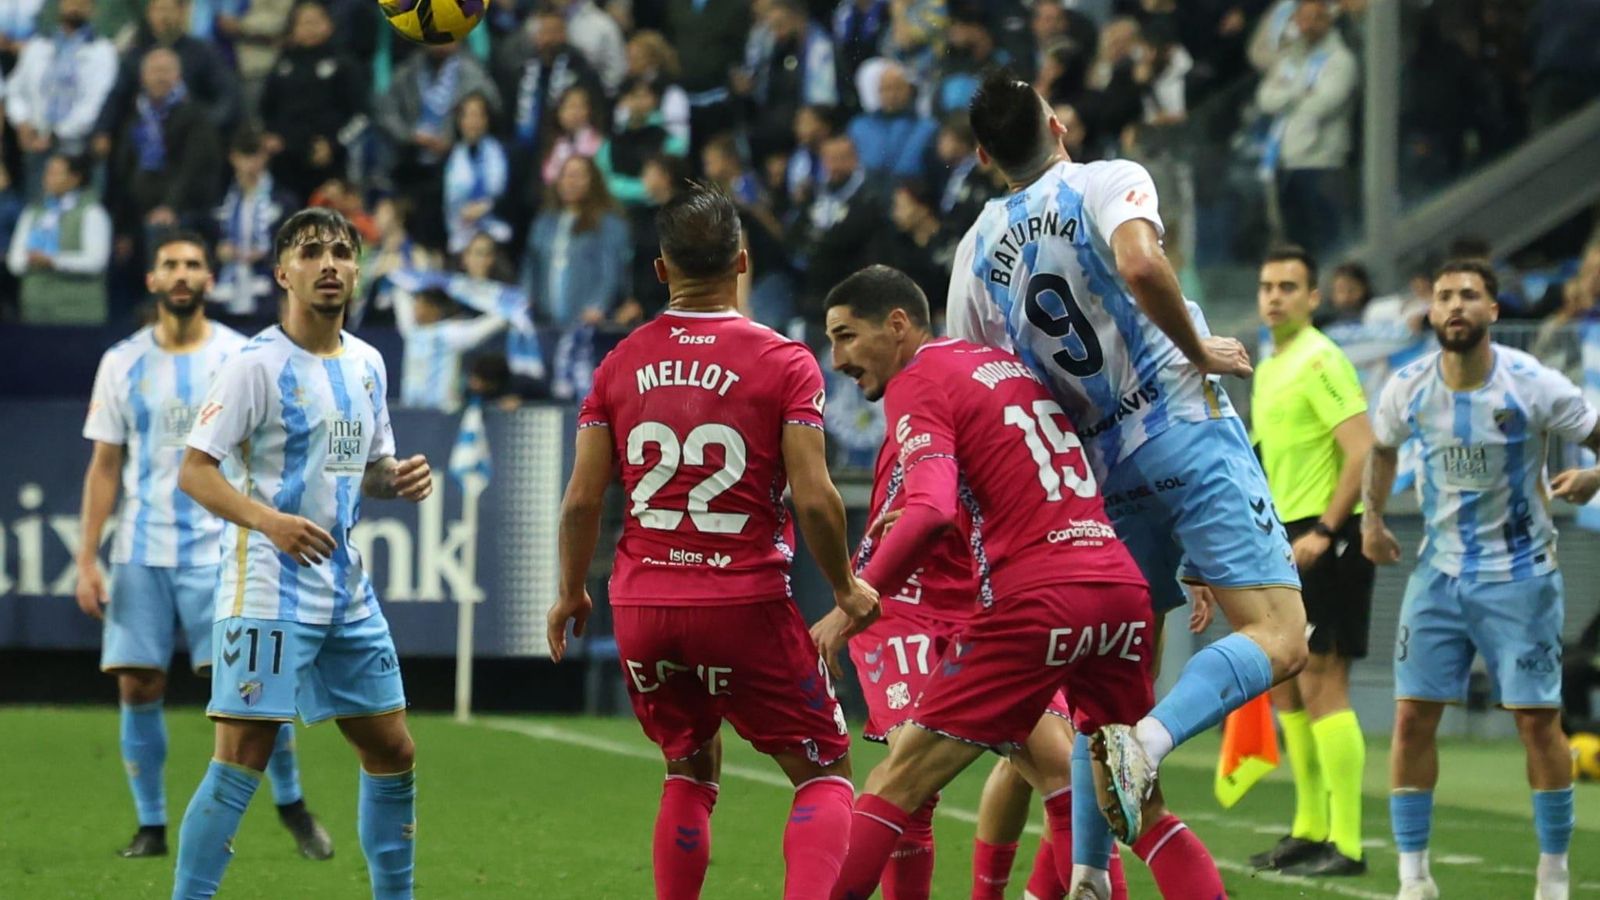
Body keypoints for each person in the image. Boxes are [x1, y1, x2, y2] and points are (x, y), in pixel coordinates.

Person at [947, 70, 1305, 886]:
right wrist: (1198, 347)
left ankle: (1087, 874)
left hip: (1094, 483)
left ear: (984, 157)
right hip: (1182, 431)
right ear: (1058, 125)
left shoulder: (974, 253)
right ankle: (1148, 743)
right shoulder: (1105, 181)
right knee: (1282, 637)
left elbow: (983, 386)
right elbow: (1140, 264)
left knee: (1106, 685)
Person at [819, 265, 1224, 900]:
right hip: (1117, 591)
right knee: (1134, 802)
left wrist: (852, 601)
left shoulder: (920, 378)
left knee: (899, 783)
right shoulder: (1014, 370)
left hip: (1033, 599)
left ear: (898, 324)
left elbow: (929, 510)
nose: (837, 358)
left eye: (846, 337)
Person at [545, 184, 879, 898]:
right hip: (741, 602)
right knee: (823, 772)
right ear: (742, 262)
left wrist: (571, 590)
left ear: (661, 270)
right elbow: (814, 495)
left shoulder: (618, 364)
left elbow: (581, 499)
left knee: (689, 767)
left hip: (644, 605)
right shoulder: (785, 361)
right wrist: (845, 587)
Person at [172, 208, 432, 899]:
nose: (329, 264)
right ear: (282, 273)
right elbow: (195, 472)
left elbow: (367, 468)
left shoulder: (367, 364)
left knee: (392, 747)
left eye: (341, 252)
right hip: (267, 589)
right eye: (311, 252)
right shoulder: (253, 367)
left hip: (345, 592)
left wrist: (397, 478)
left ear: (357, 271)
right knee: (242, 757)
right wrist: (270, 523)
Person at [75, 231, 332, 862]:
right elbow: (105, 465)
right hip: (141, 551)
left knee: (250, 690)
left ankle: (292, 804)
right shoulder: (121, 362)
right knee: (138, 685)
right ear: (152, 280)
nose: (182, 273)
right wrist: (86, 558)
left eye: (193, 264)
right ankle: (152, 826)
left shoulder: (238, 356)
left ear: (210, 280)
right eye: (171, 264)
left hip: (224, 551)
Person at [1362, 258, 1600, 900]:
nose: (1455, 305)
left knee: (1537, 724)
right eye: (1444, 296)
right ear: (1432, 312)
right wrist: (1372, 520)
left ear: (1493, 310)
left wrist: (1593, 476)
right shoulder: (1408, 386)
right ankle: (1414, 877)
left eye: (1469, 295)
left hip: (1522, 578)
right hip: (1438, 575)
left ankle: (1553, 875)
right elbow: (1381, 449)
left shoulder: (1533, 384)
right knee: (1411, 720)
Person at [1249, 245, 1377, 876]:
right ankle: (1310, 827)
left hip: (1325, 534)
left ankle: (1346, 842)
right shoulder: (1271, 365)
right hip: (1283, 537)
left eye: (1289, 287)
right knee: (1288, 684)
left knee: (1325, 680)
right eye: (1268, 286)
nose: (1275, 297)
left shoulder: (1321, 358)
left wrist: (1326, 530)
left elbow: (1362, 448)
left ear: (1313, 298)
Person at [6, 152, 111, 324]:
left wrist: (53, 261)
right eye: (47, 172)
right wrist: (30, 260)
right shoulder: (33, 212)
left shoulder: (91, 212)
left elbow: (96, 261)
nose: (48, 178)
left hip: (79, 314)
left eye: (55, 173)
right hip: (35, 311)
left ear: (75, 178)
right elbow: (15, 261)